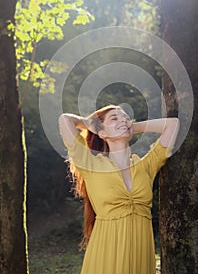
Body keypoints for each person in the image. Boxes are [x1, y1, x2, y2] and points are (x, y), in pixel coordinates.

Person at [58, 104, 180, 274]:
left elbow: (172, 124)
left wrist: (131, 127)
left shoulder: (145, 166)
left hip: (140, 254)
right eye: (114, 118)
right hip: (106, 252)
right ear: (101, 133)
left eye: (126, 118)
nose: (123, 120)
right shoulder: (91, 164)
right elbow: (65, 120)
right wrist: (90, 123)